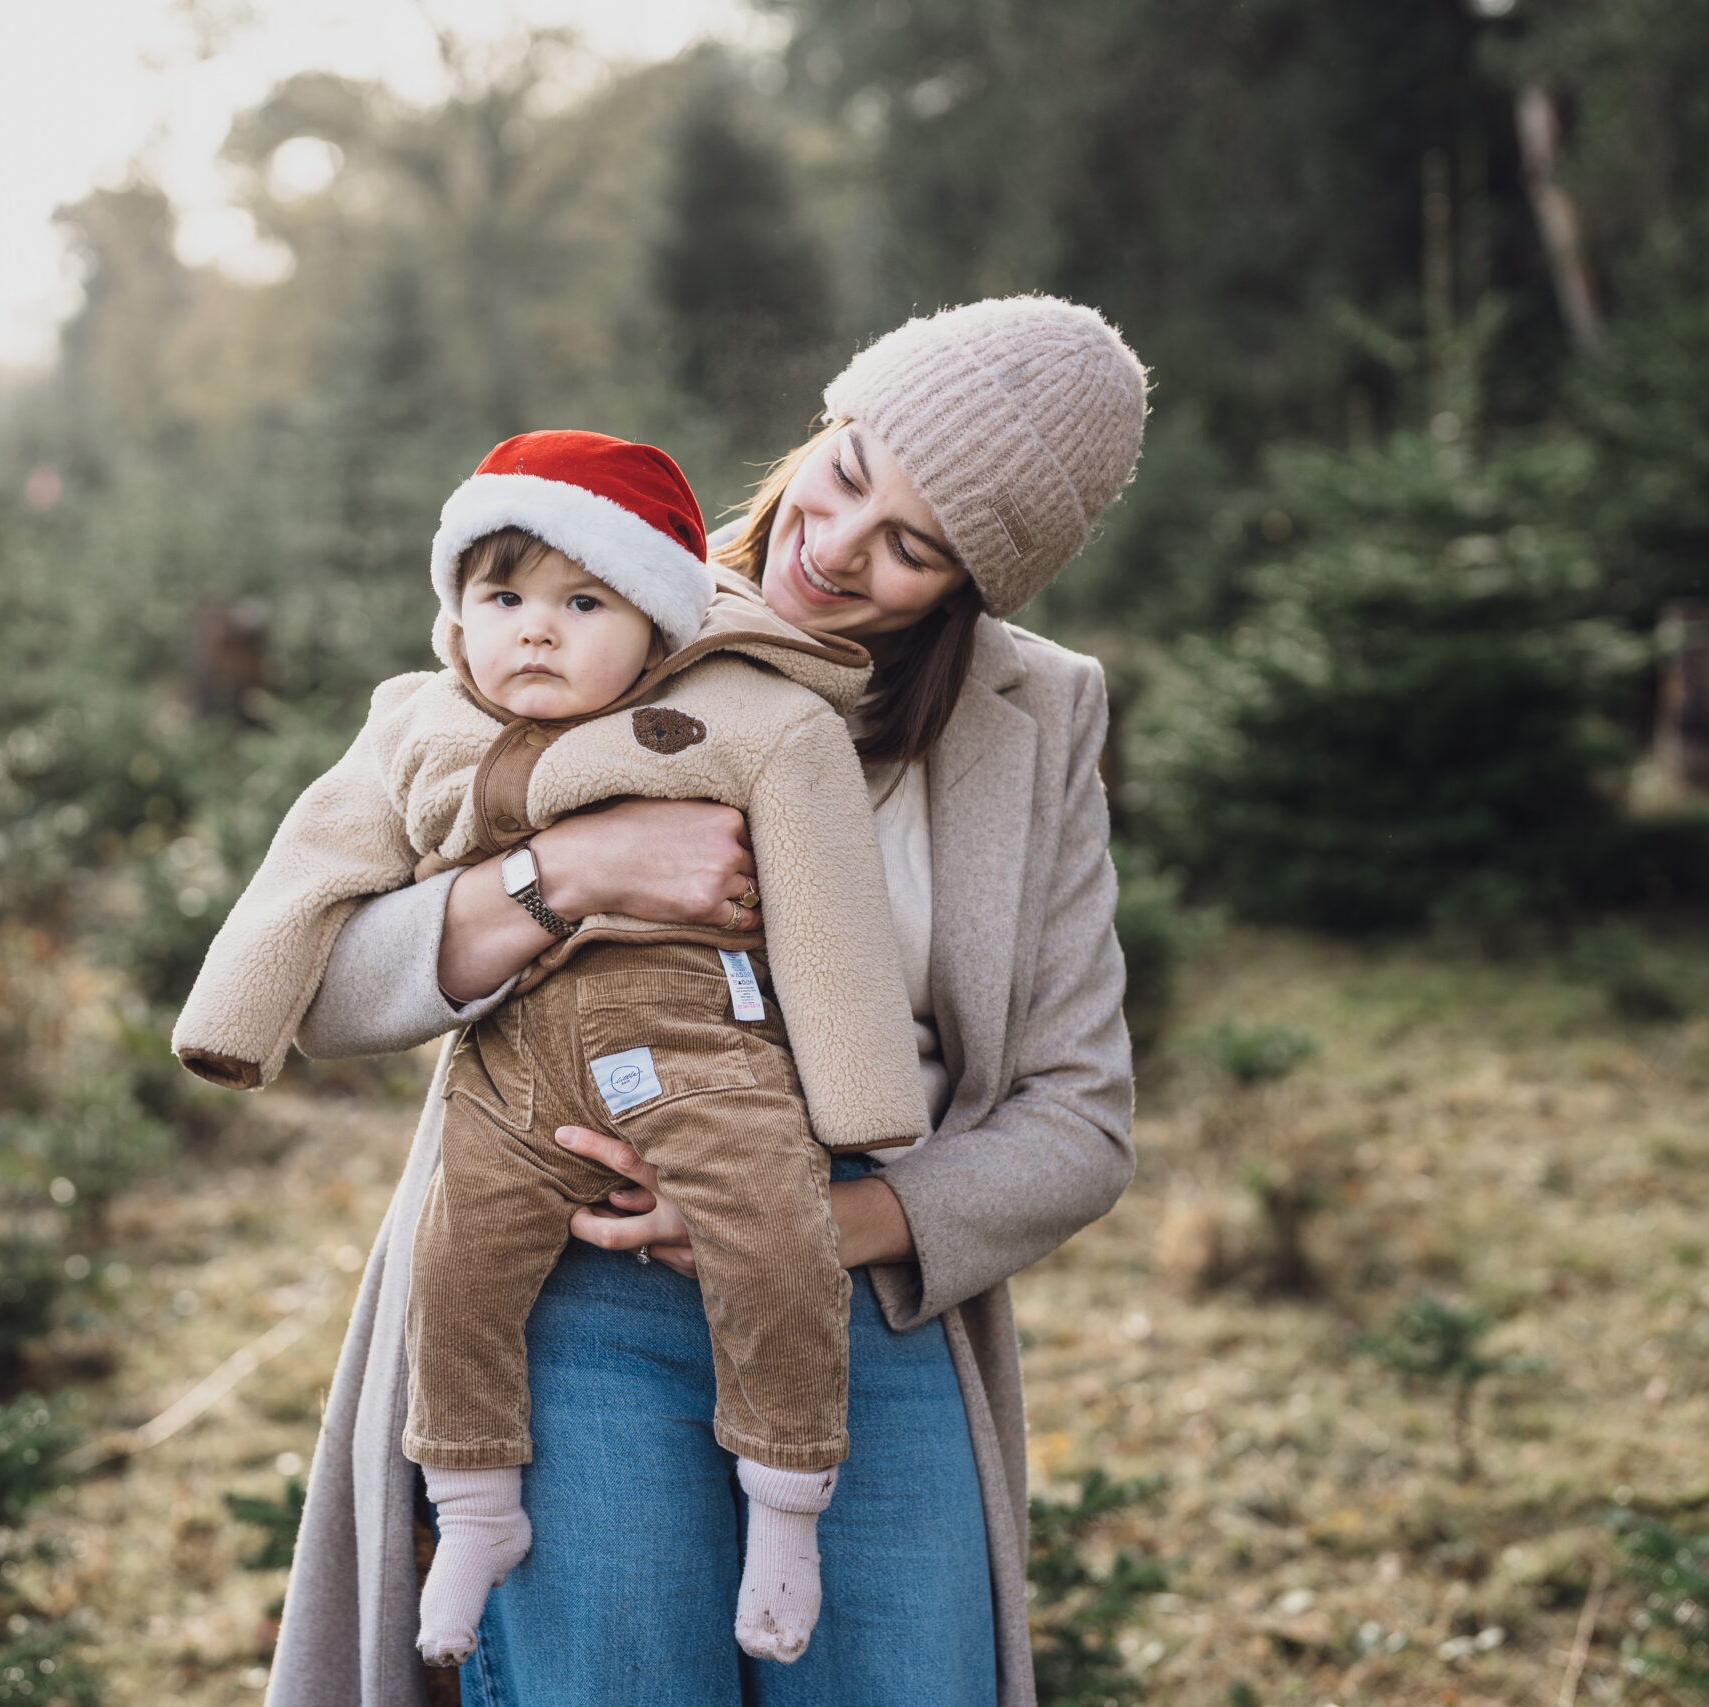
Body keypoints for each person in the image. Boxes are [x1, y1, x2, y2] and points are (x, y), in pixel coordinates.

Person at [263, 294, 1149, 1707]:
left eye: (913, 547)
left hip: (867, 1292)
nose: (838, 546)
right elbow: (326, 981)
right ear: (825, 425)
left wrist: (827, 1216)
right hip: (574, 1255)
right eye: (848, 474)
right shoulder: (585, 591)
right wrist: (565, 870)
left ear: (983, 582)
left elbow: (1082, 1118)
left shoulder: (1037, 720)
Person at [169, 428, 934, 1665]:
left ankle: (786, 1506)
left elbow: (833, 913)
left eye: (583, 601)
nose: (536, 629)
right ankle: (475, 1508)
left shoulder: (748, 716)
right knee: (456, 1265)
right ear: (455, 612)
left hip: (703, 1051)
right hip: (510, 1075)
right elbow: (310, 865)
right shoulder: (416, 727)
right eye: (503, 597)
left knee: (775, 1250)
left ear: (653, 622)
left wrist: (858, 1105)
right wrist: (229, 1024)